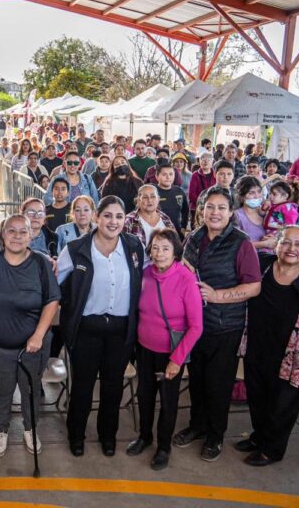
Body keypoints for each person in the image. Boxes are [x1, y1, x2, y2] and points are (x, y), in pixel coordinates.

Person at [174, 186, 261, 461]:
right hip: (196, 325)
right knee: (197, 381)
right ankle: (197, 426)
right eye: (210, 206)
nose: (215, 212)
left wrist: (217, 296)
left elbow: (254, 287)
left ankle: (215, 434)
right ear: (201, 209)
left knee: (218, 383)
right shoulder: (193, 237)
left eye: (221, 207)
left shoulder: (241, 242)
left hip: (226, 326)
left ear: (230, 211)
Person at [240, 225, 299, 466]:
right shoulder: (261, 267)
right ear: (277, 244)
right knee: (257, 398)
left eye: (298, 244)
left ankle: (272, 449)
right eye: (286, 242)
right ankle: (259, 436)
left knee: (282, 406)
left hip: (293, 358)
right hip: (257, 348)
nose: (291, 249)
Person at [57, 195, 145, 458]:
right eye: (108, 215)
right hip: (87, 329)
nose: (113, 221)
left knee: (112, 386)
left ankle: (108, 436)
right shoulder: (76, 249)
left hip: (120, 330)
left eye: (119, 216)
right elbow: (57, 284)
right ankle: (76, 435)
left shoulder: (134, 246)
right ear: (96, 217)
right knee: (82, 386)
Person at [0, 214, 60, 458]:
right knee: (2, 389)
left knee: (30, 389)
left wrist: (38, 335)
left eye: (22, 232)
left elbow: (52, 300)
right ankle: (1, 429)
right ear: (2, 236)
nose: (17, 236)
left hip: (32, 346)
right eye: (11, 231)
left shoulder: (40, 263)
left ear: (31, 235)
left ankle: (30, 428)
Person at [129, 228, 203, 470]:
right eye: (155, 248)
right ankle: (144, 436)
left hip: (171, 353)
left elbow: (196, 327)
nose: (159, 253)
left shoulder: (185, 278)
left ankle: (163, 447)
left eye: (165, 248)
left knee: (168, 401)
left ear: (176, 252)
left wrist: (176, 360)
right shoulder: (145, 274)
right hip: (144, 350)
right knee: (144, 396)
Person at [123, 184, 175, 267]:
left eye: (153, 196)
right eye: (145, 197)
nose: (150, 200)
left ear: (158, 199)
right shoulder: (129, 221)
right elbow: (123, 250)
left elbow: (175, 244)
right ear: (138, 201)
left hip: (165, 269)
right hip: (139, 269)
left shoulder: (165, 219)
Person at [154, 161, 189, 237]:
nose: (168, 177)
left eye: (171, 174)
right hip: (157, 233)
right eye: (164, 174)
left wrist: (183, 227)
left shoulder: (179, 191)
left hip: (176, 232)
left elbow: (185, 211)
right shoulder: (152, 192)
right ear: (157, 176)